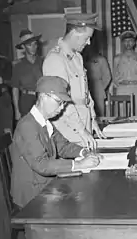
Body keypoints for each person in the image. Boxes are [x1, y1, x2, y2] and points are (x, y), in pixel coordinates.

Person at [10, 76, 101, 208]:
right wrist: (79, 164)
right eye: (59, 102)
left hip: (47, 186)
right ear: (43, 97)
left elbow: (63, 146)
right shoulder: (27, 126)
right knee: (81, 205)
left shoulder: (45, 122)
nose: (62, 108)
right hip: (32, 196)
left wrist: (84, 152)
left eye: (64, 103)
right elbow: (41, 164)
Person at [43, 13, 105, 148]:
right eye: (87, 38)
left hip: (84, 122)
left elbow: (86, 93)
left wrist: (93, 119)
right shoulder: (56, 59)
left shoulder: (77, 57)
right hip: (69, 128)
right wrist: (81, 130)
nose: (88, 42)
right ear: (74, 32)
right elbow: (62, 100)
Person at [111, 31, 137, 116]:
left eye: (130, 40)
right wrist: (121, 86)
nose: (128, 43)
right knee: (121, 115)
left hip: (136, 87)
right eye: (126, 41)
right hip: (122, 88)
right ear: (123, 43)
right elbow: (114, 76)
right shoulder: (117, 59)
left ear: (134, 42)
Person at [11, 29, 43, 120]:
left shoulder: (43, 62)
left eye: (35, 44)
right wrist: (17, 110)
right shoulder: (18, 66)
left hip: (41, 99)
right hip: (26, 101)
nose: (33, 47)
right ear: (23, 47)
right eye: (29, 45)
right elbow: (15, 89)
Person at [83, 32, 112, 116]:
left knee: (99, 113)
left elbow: (107, 76)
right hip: (84, 88)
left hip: (98, 87)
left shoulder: (100, 59)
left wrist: (100, 88)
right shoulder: (80, 59)